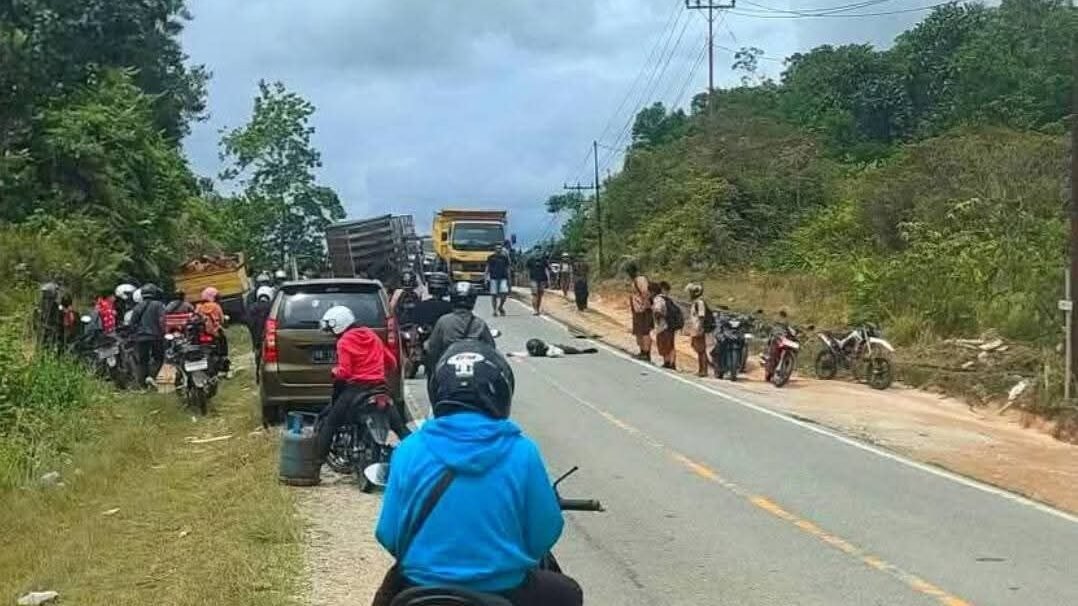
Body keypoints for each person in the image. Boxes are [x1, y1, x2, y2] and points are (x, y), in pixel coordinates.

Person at [371, 340, 583, 606]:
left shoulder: (409, 450)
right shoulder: (522, 452)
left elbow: (388, 533)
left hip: (422, 586)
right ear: (503, 392)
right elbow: (544, 534)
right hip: (504, 588)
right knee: (568, 591)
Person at [316, 305, 409, 463]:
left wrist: (334, 371)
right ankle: (422, 457)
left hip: (356, 390)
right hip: (380, 389)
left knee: (330, 422)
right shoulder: (371, 335)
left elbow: (345, 373)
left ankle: (316, 464)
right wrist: (379, 371)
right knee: (400, 428)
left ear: (338, 326)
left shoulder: (344, 342)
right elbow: (392, 362)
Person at [424, 282, 496, 369]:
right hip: (474, 367)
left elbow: (433, 347)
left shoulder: (443, 321)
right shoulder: (479, 323)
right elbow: (491, 348)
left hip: (449, 367)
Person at [128, 283, 166, 388]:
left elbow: (132, 323)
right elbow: (162, 320)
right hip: (156, 336)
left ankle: (143, 384)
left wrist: (134, 335)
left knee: (143, 361)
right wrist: (164, 332)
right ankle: (152, 376)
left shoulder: (137, 307)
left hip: (140, 338)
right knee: (159, 358)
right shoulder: (158, 305)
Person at [195, 287, 230, 375]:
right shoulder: (216, 306)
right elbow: (222, 320)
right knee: (223, 346)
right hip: (216, 333)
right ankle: (224, 362)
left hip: (202, 334)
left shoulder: (198, 307)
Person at [625, 261, 653, 361]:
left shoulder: (640, 280)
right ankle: (642, 351)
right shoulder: (635, 280)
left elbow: (645, 293)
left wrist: (645, 306)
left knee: (645, 332)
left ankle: (646, 353)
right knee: (639, 332)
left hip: (643, 310)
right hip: (637, 310)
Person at [247, 285, 275, 374]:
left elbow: (249, 322)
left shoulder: (252, 307)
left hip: (256, 335)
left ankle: (258, 371)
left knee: (258, 353)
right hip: (269, 335)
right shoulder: (272, 306)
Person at [685, 283, 710, 377]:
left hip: (698, 328)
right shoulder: (696, 302)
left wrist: (699, 328)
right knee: (698, 349)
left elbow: (701, 316)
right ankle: (701, 369)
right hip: (695, 328)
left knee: (701, 350)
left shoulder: (699, 303)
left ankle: (704, 370)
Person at [651, 282, 676, 370]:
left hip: (663, 325)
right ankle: (672, 363)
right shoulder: (669, 299)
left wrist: (658, 319)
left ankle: (667, 362)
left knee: (664, 344)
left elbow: (657, 311)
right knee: (671, 345)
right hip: (671, 325)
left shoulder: (658, 299)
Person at [486, 244, 512, 316]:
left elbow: (507, 268)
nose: (499, 249)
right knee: (493, 295)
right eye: (497, 248)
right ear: (495, 249)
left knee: (504, 295)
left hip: (503, 278)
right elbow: (487, 267)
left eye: (500, 248)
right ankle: (494, 310)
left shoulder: (504, 258)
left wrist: (509, 278)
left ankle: (500, 307)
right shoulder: (490, 257)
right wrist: (485, 277)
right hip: (493, 278)